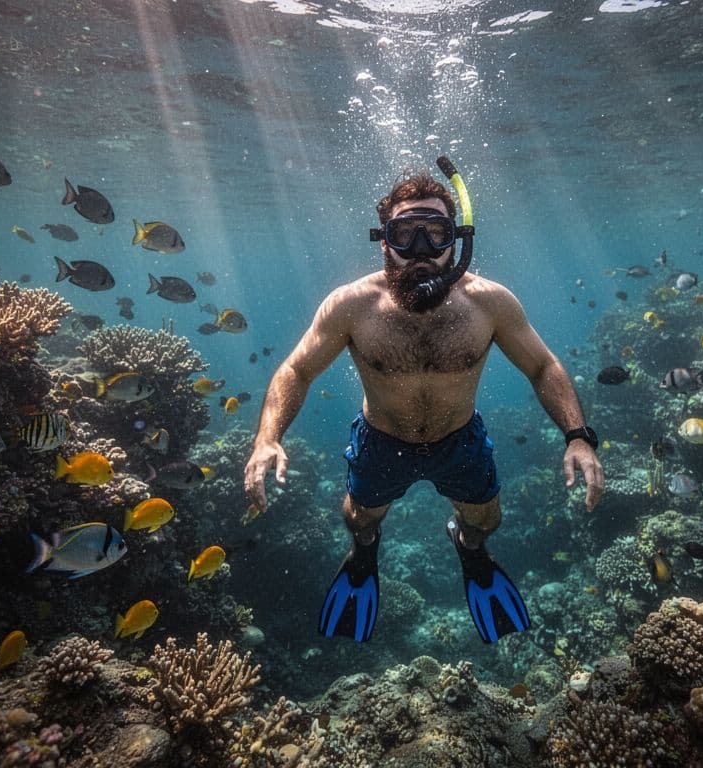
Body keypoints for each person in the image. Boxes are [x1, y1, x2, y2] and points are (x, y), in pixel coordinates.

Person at [243, 160, 604, 644]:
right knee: (358, 518)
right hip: (381, 440)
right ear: (384, 239)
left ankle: (468, 548)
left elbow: (543, 367)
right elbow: (296, 369)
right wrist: (267, 438)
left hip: (460, 441)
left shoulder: (490, 303)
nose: (420, 253)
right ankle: (365, 551)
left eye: (434, 234)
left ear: (455, 240)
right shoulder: (352, 305)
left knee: (486, 522)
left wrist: (577, 437)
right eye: (404, 234)